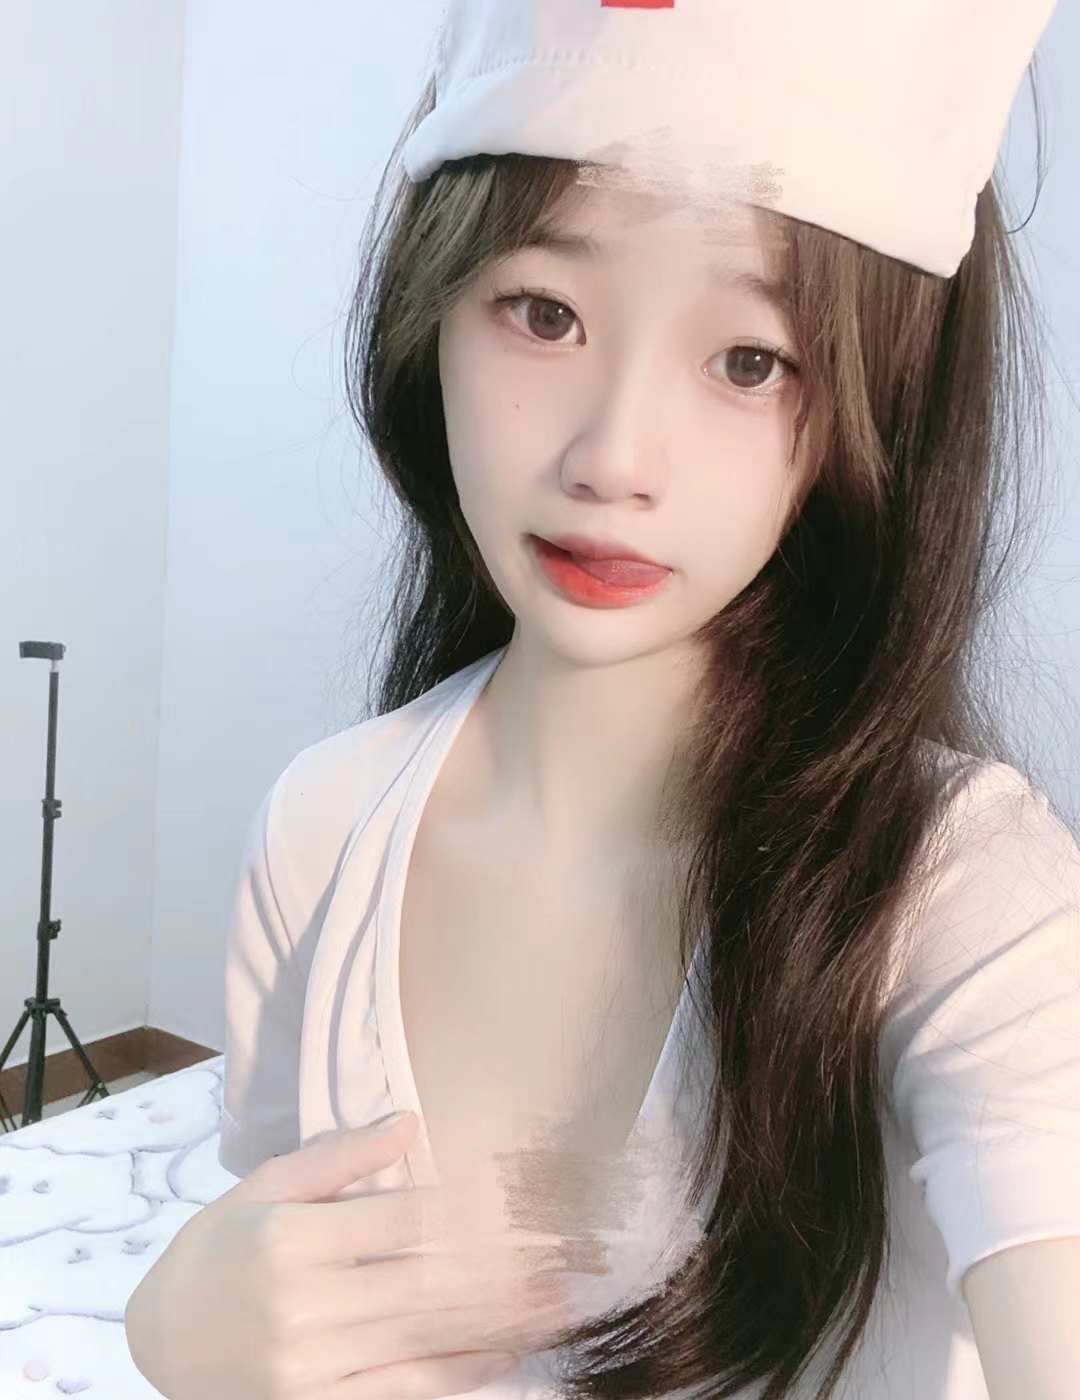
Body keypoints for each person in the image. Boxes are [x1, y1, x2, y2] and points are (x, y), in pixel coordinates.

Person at [125, 2, 1080, 1398]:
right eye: (545, 313)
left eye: (749, 360)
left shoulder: (959, 896)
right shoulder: (323, 826)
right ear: (431, 313)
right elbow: (312, 1314)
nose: (615, 458)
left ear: (869, 411)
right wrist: (180, 1340)